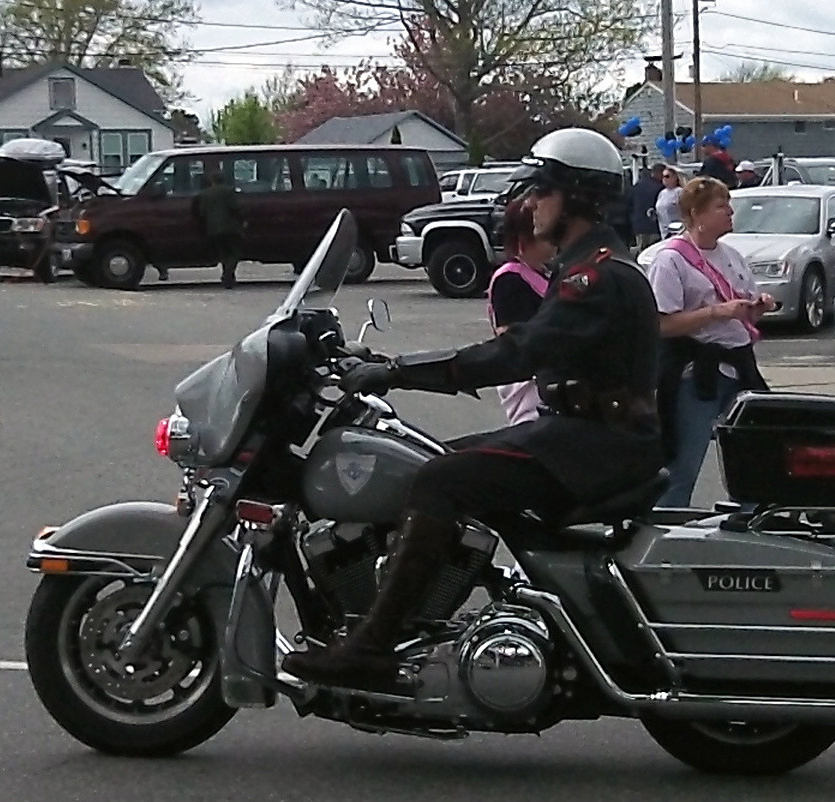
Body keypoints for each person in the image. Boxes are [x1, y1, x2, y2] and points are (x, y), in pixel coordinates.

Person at [281, 126, 664, 689]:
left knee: (439, 481)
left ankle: (372, 646)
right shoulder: (588, 266)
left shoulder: (594, 277)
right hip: (583, 436)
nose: (527, 204)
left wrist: (396, 371)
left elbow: (518, 352)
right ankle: (430, 622)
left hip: (594, 445)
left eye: (541, 192)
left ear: (577, 197)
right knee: (426, 460)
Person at [647, 176, 776, 507]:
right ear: (696, 214)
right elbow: (661, 325)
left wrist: (756, 306)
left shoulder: (732, 255)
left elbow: (744, 312)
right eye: (721, 206)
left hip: (740, 367)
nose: (730, 211)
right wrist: (717, 312)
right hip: (695, 373)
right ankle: (663, 538)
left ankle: (748, 530)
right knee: (682, 466)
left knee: (755, 459)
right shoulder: (670, 260)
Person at [485, 197, 556, 425]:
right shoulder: (510, 279)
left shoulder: (545, 272)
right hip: (528, 388)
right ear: (526, 237)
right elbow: (512, 341)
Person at [193, 172, 244, 287]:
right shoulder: (229, 191)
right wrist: (243, 221)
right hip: (231, 228)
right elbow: (236, 208)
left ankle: (228, 275)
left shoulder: (205, 194)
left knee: (223, 253)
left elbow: (202, 212)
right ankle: (228, 274)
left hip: (213, 229)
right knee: (234, 252)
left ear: (212, 181)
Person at [629, 163, 666, 249]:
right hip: (654, 227)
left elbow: (630, 204)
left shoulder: (638, 185)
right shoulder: (660, 188)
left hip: (638, 225)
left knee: (641, 249)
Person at [655, 167, 684, 237]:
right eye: (663, 176)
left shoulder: (680, 191)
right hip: (663, 231)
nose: (664, 179)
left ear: (675, 178)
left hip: (676, 230)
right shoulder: (662, 193)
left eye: (667, 176)